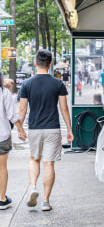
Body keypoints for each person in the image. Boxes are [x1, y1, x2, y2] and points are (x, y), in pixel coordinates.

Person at [18, 49, 74, 212]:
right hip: (52, 128)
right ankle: (45, 201)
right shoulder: (58, 83)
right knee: (49, 163)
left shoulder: (27, 84)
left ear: (35, 63)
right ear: (50, 64)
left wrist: (20, 129)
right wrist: (69, 129)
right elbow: (64, 109)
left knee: (34, 159)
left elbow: (22, 110)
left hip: (35, 128)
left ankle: (33, 187)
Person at [0, 73, 27, 209]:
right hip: (2, 135)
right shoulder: (4, 93)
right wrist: (21, 130)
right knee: (2, 167)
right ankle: (2, 199)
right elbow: (11, 115)